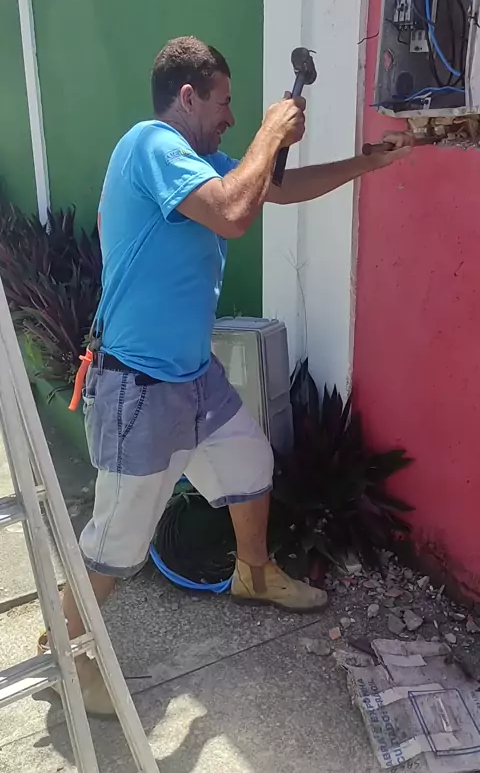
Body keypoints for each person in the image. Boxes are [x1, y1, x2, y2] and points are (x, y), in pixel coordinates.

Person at [39, 36, 412, 716]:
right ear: (187, 97)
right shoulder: (151, 145)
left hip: (193, 375)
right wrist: (271, 130)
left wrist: (370, 162)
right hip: (139, 387)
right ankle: (67, 650)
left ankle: (254, 574)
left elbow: (275, 187)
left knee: (249, 462)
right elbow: (234, 214)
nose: (232, 118)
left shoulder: (201, 163)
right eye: (224, 103)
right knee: (119, 537)